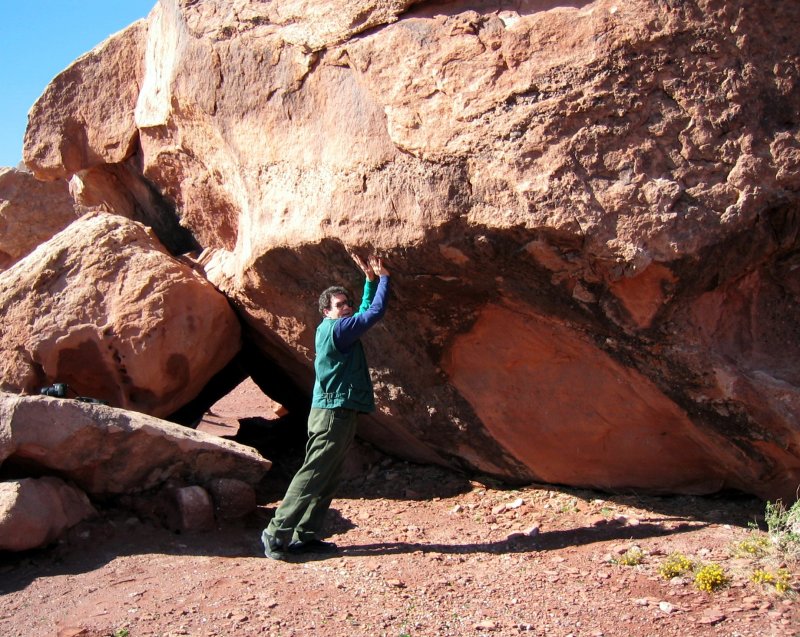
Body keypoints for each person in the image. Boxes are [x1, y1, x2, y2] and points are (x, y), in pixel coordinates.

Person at [261, 252, 391, 559]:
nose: (346, 308)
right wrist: (385, 277)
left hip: (339, 412)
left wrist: (369, 281)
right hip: (332, 414)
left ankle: (305, 536)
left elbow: (361, 310)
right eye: (340, 305)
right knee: (313, 474)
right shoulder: (337, 330)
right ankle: (276, 533)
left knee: (328, 476)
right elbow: (372, 314)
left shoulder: (335, 327)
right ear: (326, 312)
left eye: (347, 302)